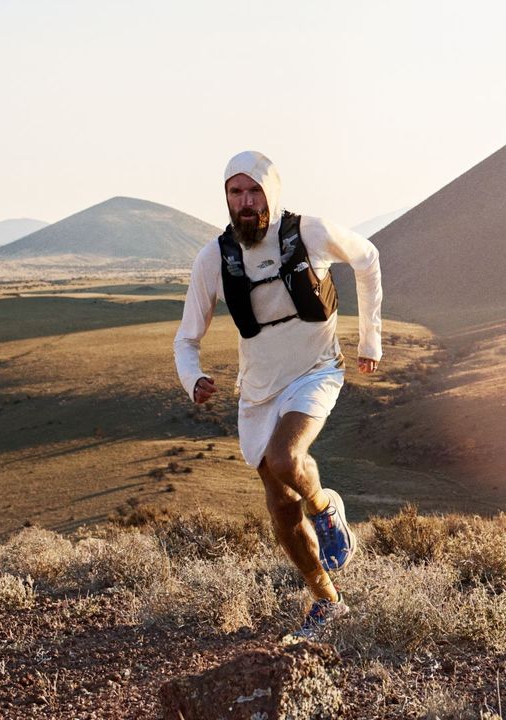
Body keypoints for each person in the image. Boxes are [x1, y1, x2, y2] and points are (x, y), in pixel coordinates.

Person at [174, 150, 382, 642]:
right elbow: (186, 338)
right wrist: (193, 377)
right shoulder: (214, 258)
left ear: (272, 192)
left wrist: (369, 338)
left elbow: (367, 258)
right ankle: (326, 601)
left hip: (315, 369)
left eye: (254, 191)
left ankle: (327, 509)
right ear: (226, 197)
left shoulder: (308, 232)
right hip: (259, 391)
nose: (246, 203)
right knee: (280, 511)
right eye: (235, 193)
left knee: (287, 458)